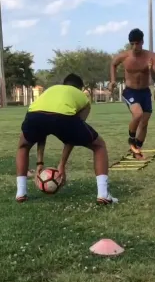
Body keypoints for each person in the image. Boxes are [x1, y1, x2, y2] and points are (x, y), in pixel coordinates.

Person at [14, 73, 119, 205]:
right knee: (99, 146)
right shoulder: (83, 98)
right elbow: (73, 137)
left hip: (35, 115)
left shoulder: (50, 90)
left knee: (23, 146)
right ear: (80, 88)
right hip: (63, 117)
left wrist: (40, 163)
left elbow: (42, 132)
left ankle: (21, 193)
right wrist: (62, 164)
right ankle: (103, 194)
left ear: (64, 85)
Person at [108, 28, 155, 159]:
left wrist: (150, 70)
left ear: (142, 42)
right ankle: (131, 140)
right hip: (130, 91)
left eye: (137, 43)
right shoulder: (124, 56)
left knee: (144, 122)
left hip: (145, 92)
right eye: (132, 43)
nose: (134, 46)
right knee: (138, 114)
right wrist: (113, 81)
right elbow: (113, 64)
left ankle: (136, 147)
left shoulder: (151, 56)